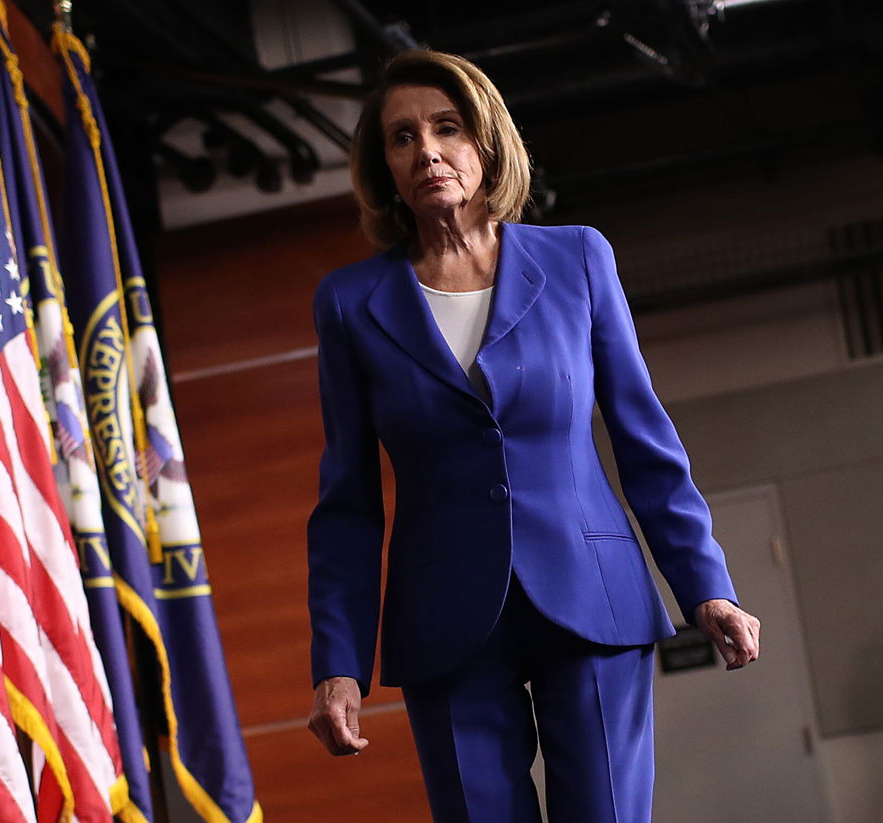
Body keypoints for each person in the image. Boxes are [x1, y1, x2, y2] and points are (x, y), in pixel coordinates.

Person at [305, 49, 761, 823]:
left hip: (593, 593)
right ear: (383, 164)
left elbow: (644, 438)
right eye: (403, 137)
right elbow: (346, 501)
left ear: (486, 141)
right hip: (443, 616)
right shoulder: (351, 302)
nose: (428, 151)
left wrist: (704, 581)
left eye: (448, 128)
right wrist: (338, 662)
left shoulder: (578, 258)